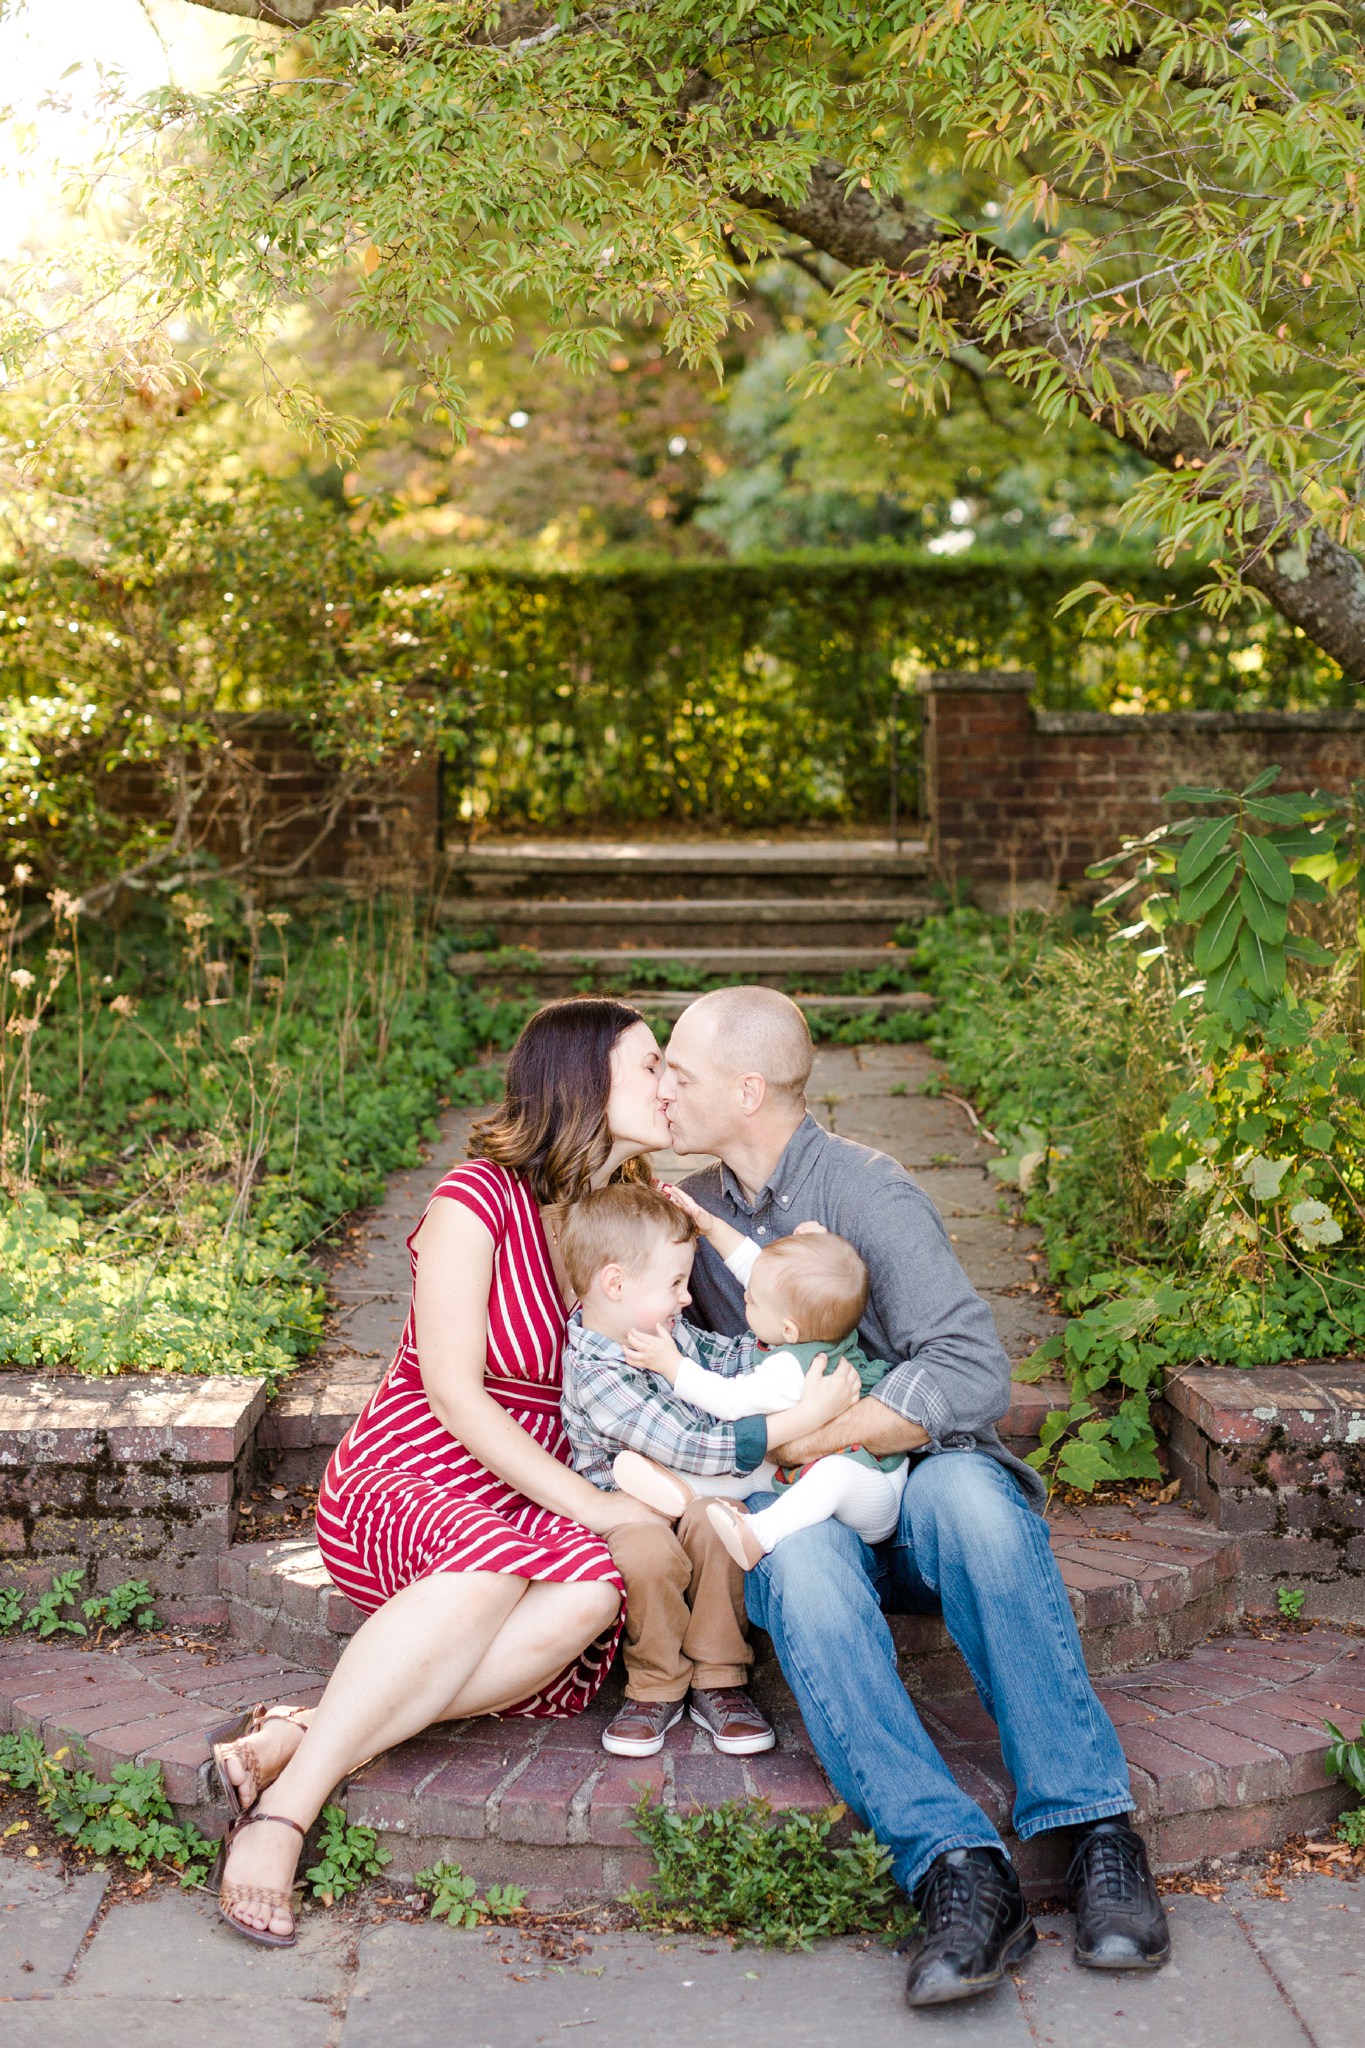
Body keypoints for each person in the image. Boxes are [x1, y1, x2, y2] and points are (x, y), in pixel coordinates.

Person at [660, 985, 1171, 2007]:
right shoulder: (696, 1212)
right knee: (795, 1564)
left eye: (679, 1073)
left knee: (978, 1506)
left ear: (747, 1088)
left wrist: (833, 1428)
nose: (664, 1091)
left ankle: (1095, 1829)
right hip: (811, 1509)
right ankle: (956, 1867)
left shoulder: (868, 1190)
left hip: (926, 1484)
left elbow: (974, 1368)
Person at [209, 998, 679, 1947]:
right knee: (504, 1559)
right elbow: (458, 1397)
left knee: (592, 1595)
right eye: (650, 1067)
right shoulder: (472, 1200)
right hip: (413, 1472)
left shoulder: (632, 1218)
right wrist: (597, 1503)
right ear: (583, 1083)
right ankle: (285, 1814)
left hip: (530, 1491)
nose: (669, 1086)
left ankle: (308, 1731)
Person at [557, 1182, 860, 1758]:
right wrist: (805, 1417)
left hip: (699, 1494)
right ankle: (655, 1682)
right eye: (674, 1284)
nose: (686, 1299)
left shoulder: (659, 1331)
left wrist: (793, 1360)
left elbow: (723, 1357)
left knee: (720, 1525)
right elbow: (692, 1444)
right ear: (615, 1284)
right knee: (646, 1552)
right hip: (631, 1505)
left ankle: (719, 1677)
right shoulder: (596, 1371)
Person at [611, 1202, 909, 1567]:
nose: (745, 1296)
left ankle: (759, 1533)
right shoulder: (816, 1323)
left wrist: (673, 1365)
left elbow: (730, 1401)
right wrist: (712, 1227)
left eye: (751, 1301)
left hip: (872, 1490)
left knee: (832, 1474)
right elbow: (762, 1274)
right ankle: (685, 1489)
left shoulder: (789, 1369)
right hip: (818, 1465)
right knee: (763, 1467)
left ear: (788, 1330)